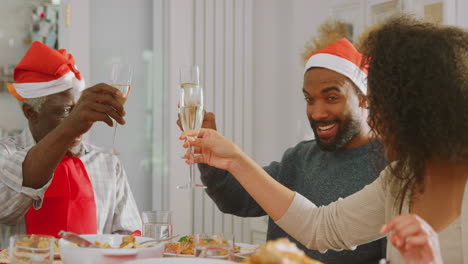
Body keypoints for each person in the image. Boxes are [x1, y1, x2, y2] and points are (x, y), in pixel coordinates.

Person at [183, 16, 468, 263]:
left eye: (383, 105)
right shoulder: (398, 179)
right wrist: (233, 159)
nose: (375, 118)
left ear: (423, 108)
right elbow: (321, 228)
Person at [184, 31, 388, 264]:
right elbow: (234, 198)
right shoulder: (299, 157)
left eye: (332, 98)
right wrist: (209, 156)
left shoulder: (390, 166)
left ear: (365, 98)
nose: (317, 113)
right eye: (309, 99)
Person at [0, 41, 141, 249]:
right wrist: (71, 127)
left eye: (80, 109)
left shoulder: (107, 163)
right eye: (66, 111)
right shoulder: (6, 154)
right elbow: (5, 210)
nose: (83, 124)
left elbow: (129, 237)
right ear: (30, 113)